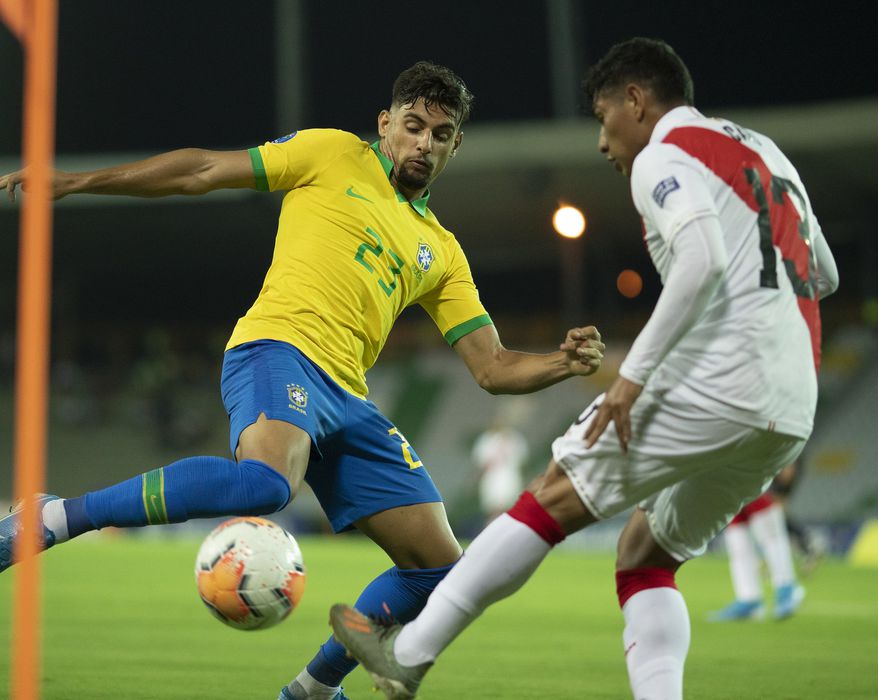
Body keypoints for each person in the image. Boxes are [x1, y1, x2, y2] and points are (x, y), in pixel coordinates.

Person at [0, 61, 605, 700]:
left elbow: (492, 368)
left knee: (440, 568)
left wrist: (563, 362)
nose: (423, 144)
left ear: (455, 144)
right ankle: (54, 517)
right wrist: (79, 182)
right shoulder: (330, 154)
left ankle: (311, 690)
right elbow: (205, 169)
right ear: (386, 124)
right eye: (412, 126)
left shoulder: (443, 250)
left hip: (348, 398)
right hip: (277, 350)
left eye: (440, 135)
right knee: (266, 484)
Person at [329, 37, 839, 700]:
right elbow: (822, 272)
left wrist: (633, 377)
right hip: (792, 399)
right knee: (645, 557)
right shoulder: (765, 153)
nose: (603, 142)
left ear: (636, 100)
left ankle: (410, 656)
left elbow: (704, 258)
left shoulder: (667, 151)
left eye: (603, 118)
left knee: (551, 497)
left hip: (719, 375)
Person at [708, 485, 804, 622]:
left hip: (745, 477)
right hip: (728, 487)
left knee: (769, 532)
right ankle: (749, 598)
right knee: (738, 544)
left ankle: (787, 588)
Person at [470, 400, 530, 524]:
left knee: (508, 507)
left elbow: (520, 462)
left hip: (509, 477)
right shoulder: (488, 439)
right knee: (493, 507)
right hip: (492, 477)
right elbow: (482, 462)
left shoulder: (515, 438)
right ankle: (491, 531)